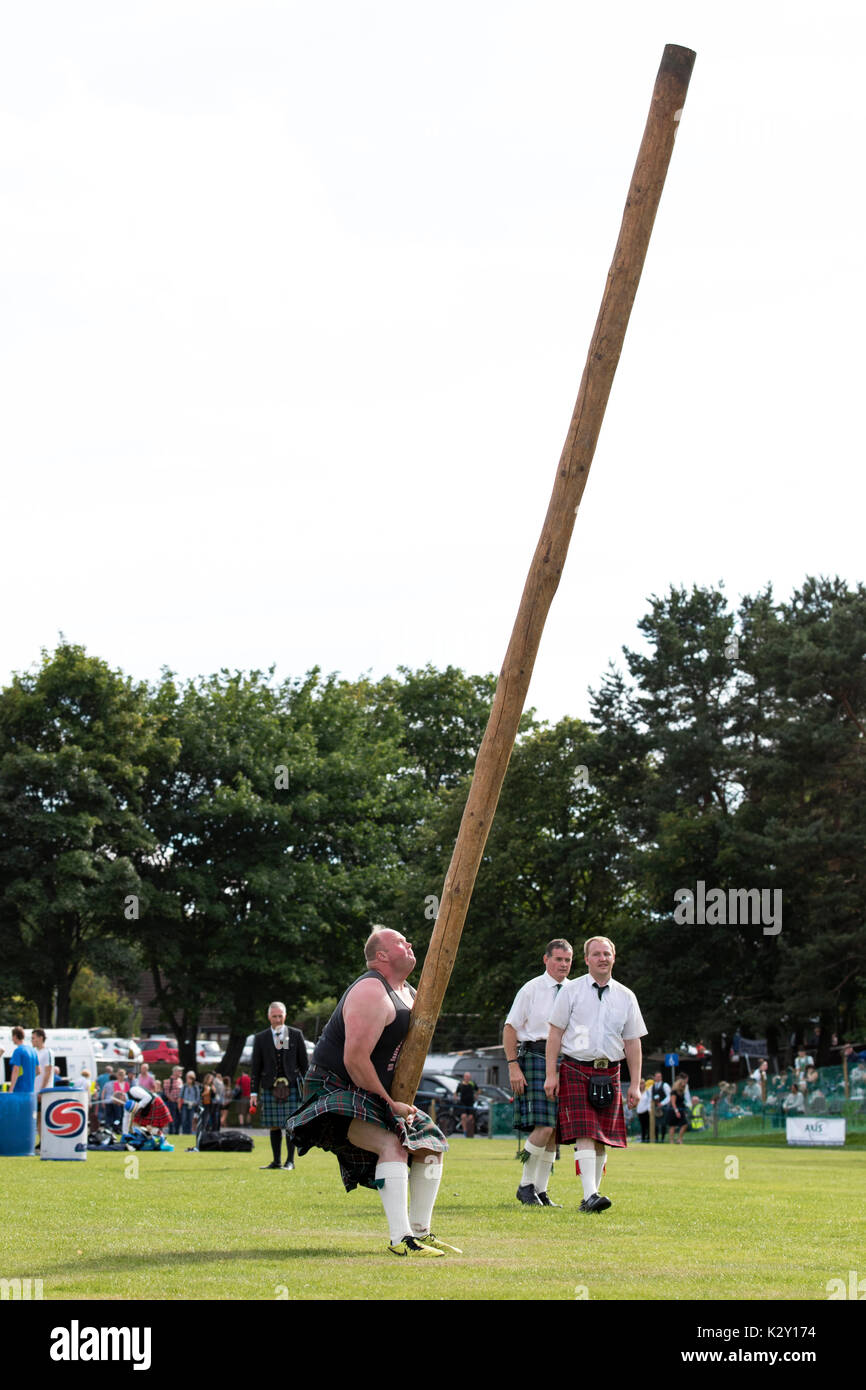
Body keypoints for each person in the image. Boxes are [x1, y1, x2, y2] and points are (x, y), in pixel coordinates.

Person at [286, 927, 455, 1258]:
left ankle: (422, 1232)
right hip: (336, 1086)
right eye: (400, 942)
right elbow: (354, 1059)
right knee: (391, 1144)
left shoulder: (408, 992)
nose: (409, 943)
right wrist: (390, 1103)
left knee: (431, 1147)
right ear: (381, 955)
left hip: (371, 1090)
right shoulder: (370, 991)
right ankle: (400, 1239)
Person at [544, 936, 646, 1213]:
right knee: (585, 1132)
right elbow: (555, 1034)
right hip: (576, 1067)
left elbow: (633, 1042)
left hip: (610, 1071)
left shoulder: (626, 996)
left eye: (607, 954)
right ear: (587, 959)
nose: (602, 958)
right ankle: (590, 1193)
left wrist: (635, 1085)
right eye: (596, 954)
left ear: (614, 958)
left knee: (602, 1138)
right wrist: (550, 1074)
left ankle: (592, 1195)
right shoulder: (571, 991)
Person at [503, 938, 574, 1207]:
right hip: (534, 1055)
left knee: (555, 1131)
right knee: (543, 1126)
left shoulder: (575, 990)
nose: (563, 965)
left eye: (567, 960)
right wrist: (512, 1066)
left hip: (565, 1060)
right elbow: (510, 1028)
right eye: (558, 959)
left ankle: (540, 1192)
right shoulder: (531, 989)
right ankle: (525, 1186)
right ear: (546, 960)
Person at [251, 1002, 309, 1170]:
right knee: (274, 1125)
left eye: (280, 1016)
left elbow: (305, 1065)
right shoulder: (261, 1038)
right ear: (269, 1017)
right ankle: (276, 1161)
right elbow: (255, 1068)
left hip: (291, 1085)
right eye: (274, 1016)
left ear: (285, 1016)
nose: (277, 1019)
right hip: (270, 1086)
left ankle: (290, 1161)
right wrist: (253, 1093)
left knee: (290, 1125)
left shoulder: (296, 1035)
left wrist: (307, 1089)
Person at [114, 1083, 172, 1147]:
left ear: (121, 1096)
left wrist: (137, 1107)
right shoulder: (127, 1104)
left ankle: (163, 1141)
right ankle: (148, 1142)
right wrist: (125, 1134)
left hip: (155, 1103)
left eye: (118, 1103)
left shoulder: (133, 1090)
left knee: (153, 1128)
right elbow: (126, 1118)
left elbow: (148, 1097)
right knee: (136, 1126)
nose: (119, 1105)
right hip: (146, 1108)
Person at [7, 1026, 38, 1095]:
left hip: (20, 1090)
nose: (12, 1039)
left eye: (12, 1037)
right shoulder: (33, 1051)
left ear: (15, 1036)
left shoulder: (18, 1051)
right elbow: (38, 1071)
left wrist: (11, 1090)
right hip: (31, 1091)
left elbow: (15, 1070)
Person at [455, 1072, 479, 1137]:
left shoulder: (472, 1084)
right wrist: (456, 1098)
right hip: (462, 1103)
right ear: (464, 1077)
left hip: (470, 1103)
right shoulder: (460, 1085)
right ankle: (465, 1131)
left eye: (469, 1077)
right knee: (463, 1116)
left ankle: (470, 1131)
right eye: (466, 1076)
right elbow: (456, 1093)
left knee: (471, 1117)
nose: (467, 1078)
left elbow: (478, 1090)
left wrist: (476, 1095)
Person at [163, 1066, 184, 1133]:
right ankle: (172, 1132)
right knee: (172, 1119)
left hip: (179, 1103)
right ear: (174, 1072)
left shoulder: (180, 1080)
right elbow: (166, 1093)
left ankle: (177, 1133)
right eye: (179, 1071)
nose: (181, 1072)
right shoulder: (168, 1081)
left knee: (179, 1119)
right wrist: (174, 1100)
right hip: (172, 1103)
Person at [651, 1072, 670, 1142]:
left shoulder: (665, 1085)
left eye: (659, 1076)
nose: (658, 1078)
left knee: (663, 1124)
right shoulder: (653, 1086)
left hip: (663, 1107)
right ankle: (656, 1139)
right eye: (657, 1076)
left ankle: (662, 1139)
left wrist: (662, 1103)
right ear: (654, 1077)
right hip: (655, 1108)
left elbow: (669, 1096)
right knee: (655, 1124)